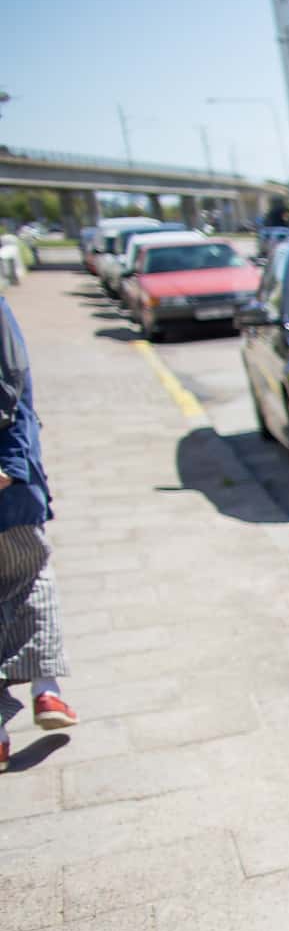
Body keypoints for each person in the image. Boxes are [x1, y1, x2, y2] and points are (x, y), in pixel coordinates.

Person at [0, 293, 74, 772]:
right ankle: (47, 690)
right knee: (32, 578)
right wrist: (11, 464)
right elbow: (12, 383)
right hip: (11, 484)